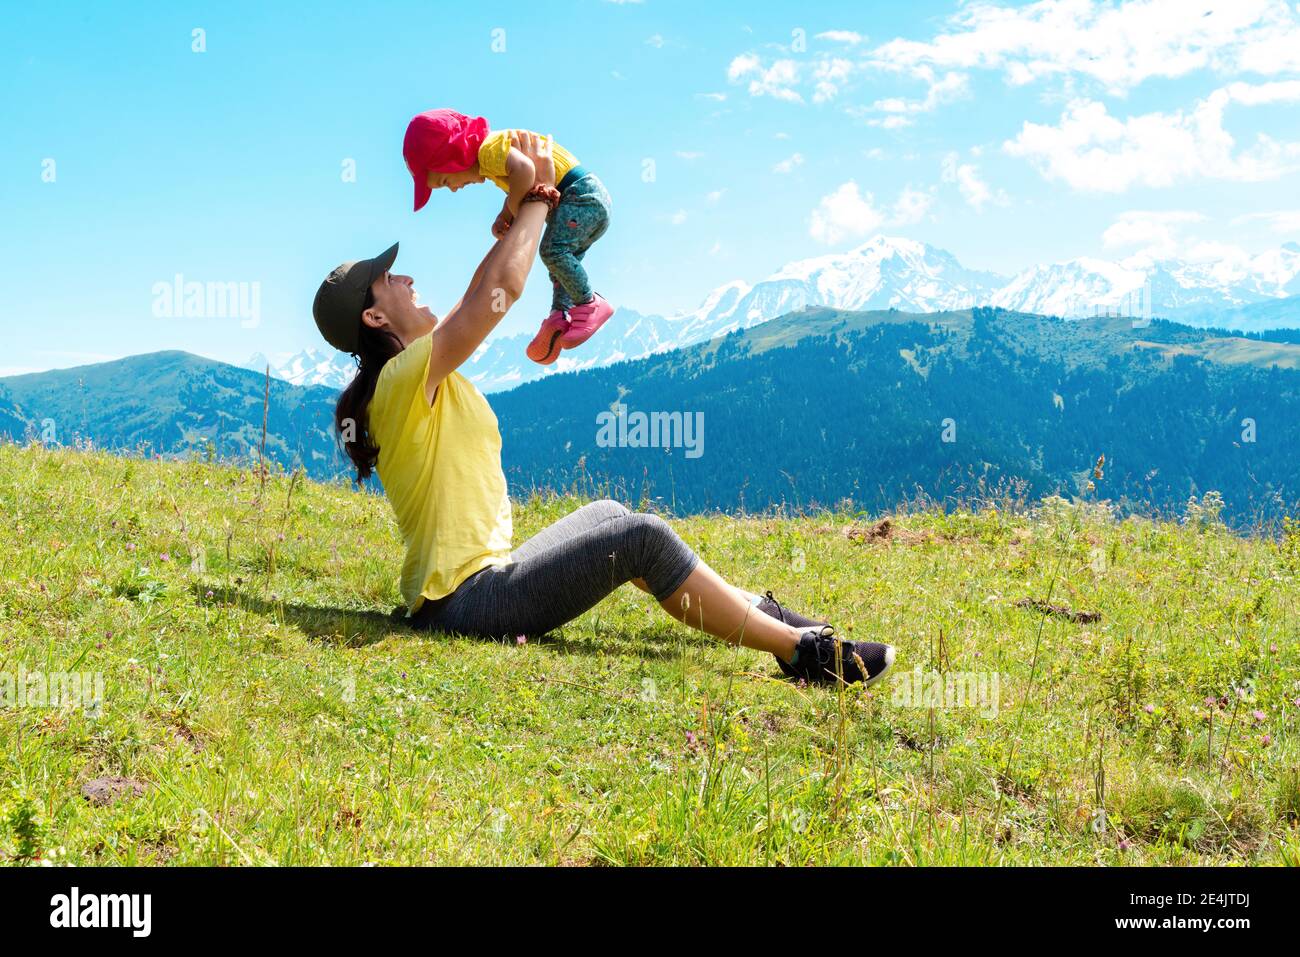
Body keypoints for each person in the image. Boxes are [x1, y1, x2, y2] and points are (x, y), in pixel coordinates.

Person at [313, 132, 893, 687]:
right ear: (374, 317)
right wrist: (539, 198)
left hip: (481, 585)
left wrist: (518, 211)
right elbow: (495, 297)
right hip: (466, 603)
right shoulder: (401, 379)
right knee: (640, 537)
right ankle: (803, 653)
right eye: (389, 279)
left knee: (610, 513)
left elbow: (478, 292)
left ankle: (774, 619)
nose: (407, 277)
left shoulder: (416, 374)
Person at [403, 109, 614, 365]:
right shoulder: (493, 156)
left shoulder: (487, 150)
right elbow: (520, 182)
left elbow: (525, 170)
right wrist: (505, 215)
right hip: (582, 201)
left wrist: (516, 214)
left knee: (552, 252)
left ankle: (589, 302)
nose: (455, 189)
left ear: (453, 155)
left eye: (446, 181)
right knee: (560, 267)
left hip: (580, 196)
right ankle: (560, 314)